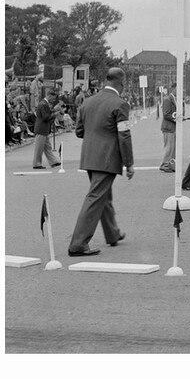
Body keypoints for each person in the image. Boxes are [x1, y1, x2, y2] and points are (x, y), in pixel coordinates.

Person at [68, 68, 133, 257]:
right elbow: (124, 135)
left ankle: (112, 233)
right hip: (107, 158)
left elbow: (80, 132)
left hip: (89, 157)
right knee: (96, 197)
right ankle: (78, 243)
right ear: (121, 82)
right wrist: (129, 163)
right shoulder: (120, 104)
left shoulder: (88, 102)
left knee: (103, 195)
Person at [32, 89, 62, 169]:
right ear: (49, 96)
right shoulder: (44, 104)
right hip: (41, 129)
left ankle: (53, 161)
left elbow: (46, 115)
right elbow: (45, 117)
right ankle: (36, 164)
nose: (54, 100)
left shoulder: (44, 104)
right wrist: (54, 115)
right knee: (39, 148)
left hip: (43, 129)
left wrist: (52, 112)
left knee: (47, 147)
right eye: (53, 98)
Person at [159, 82, 178, 172]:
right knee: (169, 147)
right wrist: (175, 118)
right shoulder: (167, 99)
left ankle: (170, 164)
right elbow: (166, 114)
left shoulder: (175, 99)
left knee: (173, 148)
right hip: (168, 127)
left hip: (173, 127)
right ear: (173, 89)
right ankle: (164, 164)